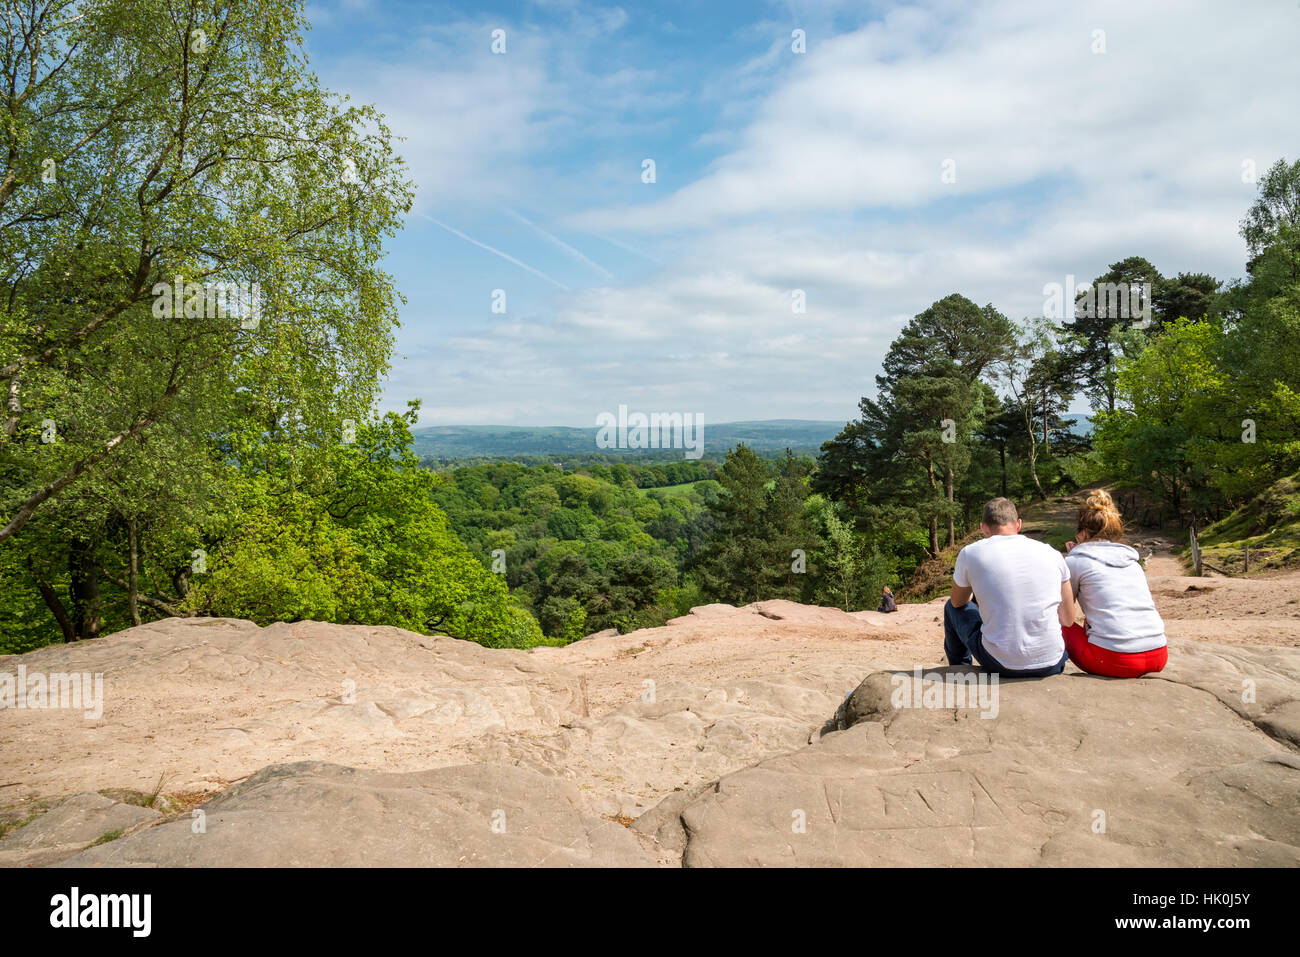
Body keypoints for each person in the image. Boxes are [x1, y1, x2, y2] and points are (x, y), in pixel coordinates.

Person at [944, 497, 1073, 677]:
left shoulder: (970, 552)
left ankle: (960, 669)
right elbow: (1067, 619)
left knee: (950, 608)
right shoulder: (1052, 553)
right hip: (1053, 662)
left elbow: (958, 602)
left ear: (983, 527)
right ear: (1018, 524)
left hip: (1001, 664)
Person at [1063, 490, 1167, 677]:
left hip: (1115, 659)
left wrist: (1070, 561)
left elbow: (1065, 614)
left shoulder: (1076, 562)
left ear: (1083, 533)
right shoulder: (1132, 562)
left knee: (1057, 620)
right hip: (1159, 654)